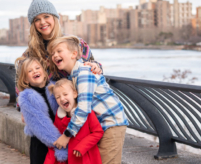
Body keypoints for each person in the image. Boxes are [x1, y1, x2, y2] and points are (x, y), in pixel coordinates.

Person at [16, 0, 103, 111]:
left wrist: (95, 66)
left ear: (54, 18)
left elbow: (91, 65)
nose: (43, 22)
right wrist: (23, 108)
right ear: (33, 24)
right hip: (49, 112)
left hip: (80, 107)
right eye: (37, 19)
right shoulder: (30, 54)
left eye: (46, 16)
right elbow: (20, 83)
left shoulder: (75, 43)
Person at [47, 36, 129, 164]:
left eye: (59, 51)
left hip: (111, 123)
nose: (55, 55)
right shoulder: (73, 76)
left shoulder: (84, 73)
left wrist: (67, 135)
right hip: (100, 125)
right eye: (53, 53)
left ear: (74, 54)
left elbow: (83, 108)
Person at [16, 57, 68, 164]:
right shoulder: (26, 98)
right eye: (30, 71)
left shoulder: (54, 89)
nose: (35, 71)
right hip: (43, 145)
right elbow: (40, 125)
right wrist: (60, 145)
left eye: (37, 68)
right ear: (25, 79)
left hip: (61, 139)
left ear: (44, 73)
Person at [44, 78, 103, 164]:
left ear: (75, 94)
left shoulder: (87, 112)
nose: (62, 98)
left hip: (85, 158)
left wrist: (82, 146)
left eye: (65, 94)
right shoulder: (59, 116)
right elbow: (56, 140)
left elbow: (98, 132)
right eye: (58, 97)